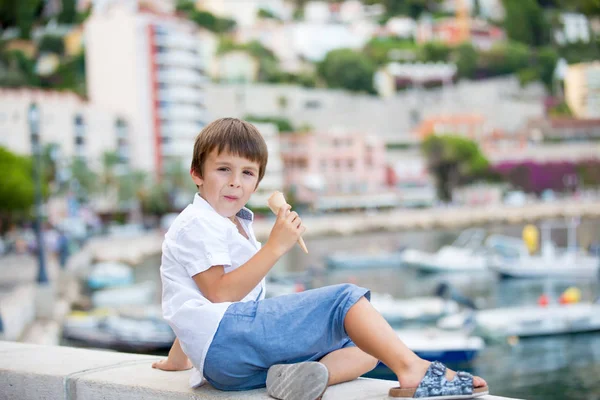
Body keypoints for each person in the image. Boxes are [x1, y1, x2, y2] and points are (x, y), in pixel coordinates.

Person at [152, 118, 488, 400]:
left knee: (368, 343)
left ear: (258, 181)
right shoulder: (197, 222)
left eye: (248, 173)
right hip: (228, 342)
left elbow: (193, 302)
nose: (235, 182)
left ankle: (308, 377)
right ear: (197, 173)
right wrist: (275, 247)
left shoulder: (234, 223)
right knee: (344, 299)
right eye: (223, 169)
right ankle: (414, 369)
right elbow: (219, 294)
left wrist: (178, 360)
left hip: (230, 364)